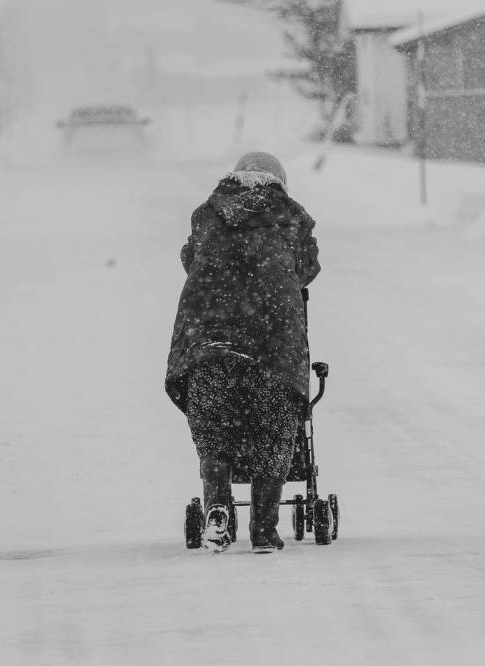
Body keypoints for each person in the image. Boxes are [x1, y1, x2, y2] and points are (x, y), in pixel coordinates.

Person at [165, 152, 321, 554]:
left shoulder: (208, 213)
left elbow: (189, 258)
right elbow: (308, 267)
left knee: (215, 430)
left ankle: (218, 505)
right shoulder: (291, 217)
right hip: (271, 345)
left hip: (209, 342)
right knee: (272, 435)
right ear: (279, 181)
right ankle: (264, 531)